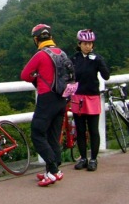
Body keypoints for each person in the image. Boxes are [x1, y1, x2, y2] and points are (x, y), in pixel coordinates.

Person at [20, 24, 69, 187]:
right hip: (62, 99)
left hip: (46, 99)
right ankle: (52, 170)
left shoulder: (40, 55)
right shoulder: (61, 53)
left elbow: (25, 74)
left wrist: (36, 78)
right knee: (53, 136)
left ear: (36, 39)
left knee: (37, 133)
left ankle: (53, 169)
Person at [68, 29, 110, 172]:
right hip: (77, 97)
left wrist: (99, 61)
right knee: (80, 130)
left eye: (90, 43)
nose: (88, 46)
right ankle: (83, 158)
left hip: (92, 96)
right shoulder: (73, 59)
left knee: (93, 130)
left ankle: (93, 159)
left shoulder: (97, 58)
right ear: (79, 44)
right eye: (85, 43)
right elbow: (68, 76)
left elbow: (106, 76)